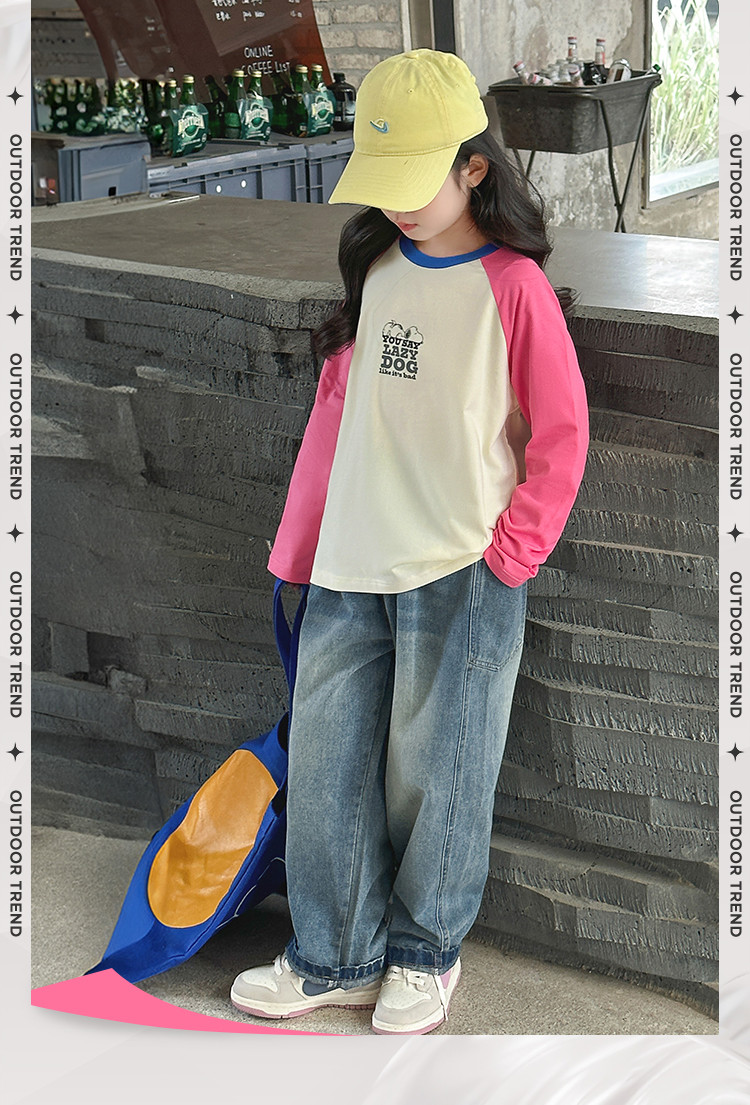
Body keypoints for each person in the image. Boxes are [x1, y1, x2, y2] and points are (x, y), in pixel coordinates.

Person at [230, 49, 589, 1035]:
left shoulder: (513, 288)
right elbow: (339, 423)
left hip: (461, 566)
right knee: (331, 762)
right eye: (379, 180)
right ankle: (332, 954)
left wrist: (511, 555)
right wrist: (302, 547)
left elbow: (562, 434)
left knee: (442, 771)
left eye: (412, 179)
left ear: (474, 167)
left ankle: (425, 954)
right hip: (351, 561)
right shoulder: (380, 270)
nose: (392, 203)